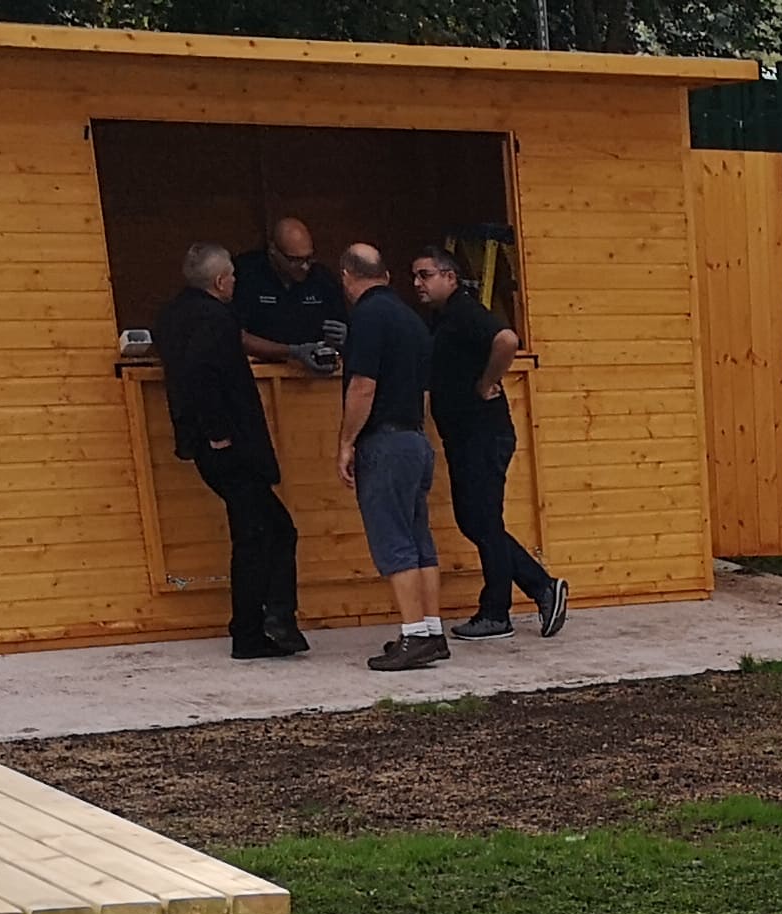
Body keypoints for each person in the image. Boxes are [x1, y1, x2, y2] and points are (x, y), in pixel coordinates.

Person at [151, 242, 305, 660]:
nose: (237, 281)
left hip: (204, 447)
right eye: (233, 275)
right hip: (232, 447)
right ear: (220, 282)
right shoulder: (215, 319)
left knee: (259, 531)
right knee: (266, 533)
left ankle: (260, 625)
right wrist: (218, 430)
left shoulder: (171, 316)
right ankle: (258, 628)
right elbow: (201, 372)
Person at [408, 246, 566, 641]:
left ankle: (500, 610)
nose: (418, 284)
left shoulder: (464, 312)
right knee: (475, 520)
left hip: (484, 434)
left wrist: (485, 384)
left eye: (425, 275)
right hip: (464, 437)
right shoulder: (442, 319)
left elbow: (507, 340)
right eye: (415, 277)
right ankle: (540, 587)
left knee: (483, 520)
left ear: (450, 277)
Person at [333, 243, 445, 671]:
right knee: (420, 540)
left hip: (385, 440)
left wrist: (346, 442)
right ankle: (432, 631)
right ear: (388, 274)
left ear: (347, 275)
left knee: (392, 539)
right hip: (416, 438)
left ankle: (413, 635)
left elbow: (363, 385)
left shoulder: (366, 317)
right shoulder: (411, 319)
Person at [232, 216, 342, 368]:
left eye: (308, 259)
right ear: (273, 250)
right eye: (295, 260)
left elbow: (340, 325)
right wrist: (292, 351)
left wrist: (342, 339)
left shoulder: (322, 278)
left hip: (314, 372)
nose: (305, 267)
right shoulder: (246, 274)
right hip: (262, 371)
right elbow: (236, 336)